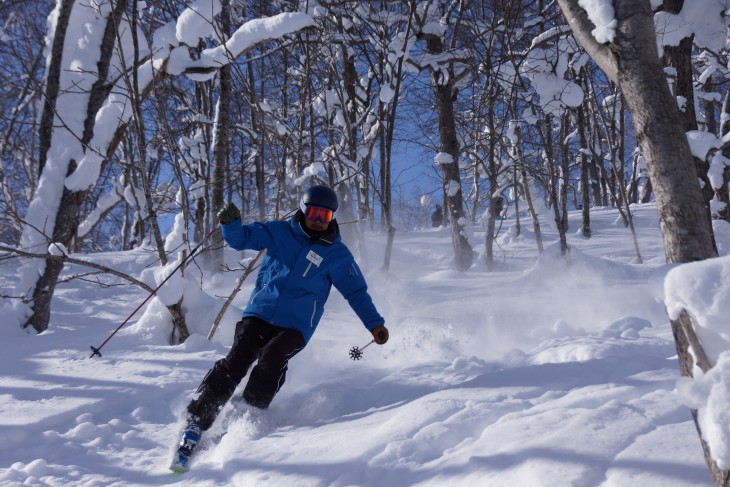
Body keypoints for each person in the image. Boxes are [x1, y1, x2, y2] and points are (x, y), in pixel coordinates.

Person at [170, 185, 388, 472]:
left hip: (296, 326)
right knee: (236, 361)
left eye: (325, 215)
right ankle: (197, 422)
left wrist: (374, 325)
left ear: (332, 217)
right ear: (303, 209)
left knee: (272, 358)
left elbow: (356, 292)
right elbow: (241, 239)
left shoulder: (337, 255)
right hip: (259, 314)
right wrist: (231, 224)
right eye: (314, 213)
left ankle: (247, 413)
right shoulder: (279, 232)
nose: (318, 220)